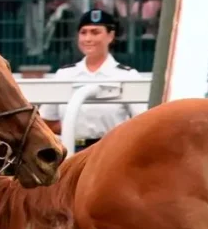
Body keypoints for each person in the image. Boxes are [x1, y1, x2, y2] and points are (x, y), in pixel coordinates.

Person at [39, 9, 143, 152]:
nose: (88, 39)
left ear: (110, 36)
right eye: (83, 32)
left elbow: (142, 121)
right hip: (72, 151)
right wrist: (75, 129)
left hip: (112, 152)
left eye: (95, 32)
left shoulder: (127, 76)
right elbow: (46, 121)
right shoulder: (65, 75)